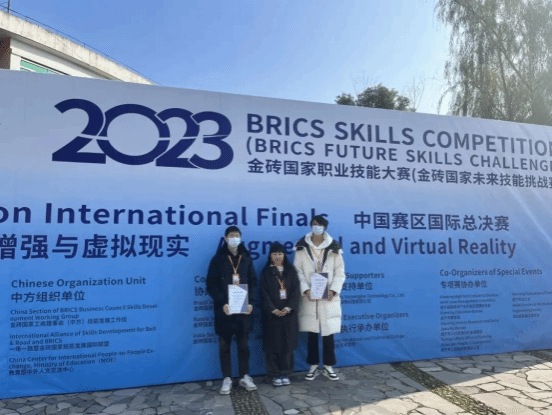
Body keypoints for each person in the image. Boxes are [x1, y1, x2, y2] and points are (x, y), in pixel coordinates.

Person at [206, 226, 257, 395]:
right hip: (225, 310)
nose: (234, 238)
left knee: (244, 346)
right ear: (226, 238)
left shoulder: (246, 258)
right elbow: (211, 284)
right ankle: (227, 378)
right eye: (231, 235)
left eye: (237, 235)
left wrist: (251, 302)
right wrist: (222, 302)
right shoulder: (217, 259)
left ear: (241, 238)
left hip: (243, 310)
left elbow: (253, 282)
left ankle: (244, 376)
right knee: (224, 346)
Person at [293, 215, 345, 381]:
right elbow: (297, 271)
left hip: (328, 296)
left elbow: (340, 273)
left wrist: (334, 290)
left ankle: (328, 365)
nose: (317, 227)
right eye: (314, 224)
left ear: (325, 227)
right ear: (310, 226)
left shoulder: (334, 247)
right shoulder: (302, 246)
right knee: (312, 333)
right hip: (310, 296)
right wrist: (306, 289)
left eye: (320, 224)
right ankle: (313, 365)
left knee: (328, 332)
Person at [260, 242, 300, 387]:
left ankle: (285, 373)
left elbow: (296, 291)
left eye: (280, 254)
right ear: (270, 256)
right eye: (275, 254)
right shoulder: (266, 272)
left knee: (287, 346)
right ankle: (275, 374)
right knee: (273, 346)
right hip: (272, 316)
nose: (277, 256)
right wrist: (272, 309)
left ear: (284, 255)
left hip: (288, 315)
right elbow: (263, 294)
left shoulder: (291, 271)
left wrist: (289, 308)